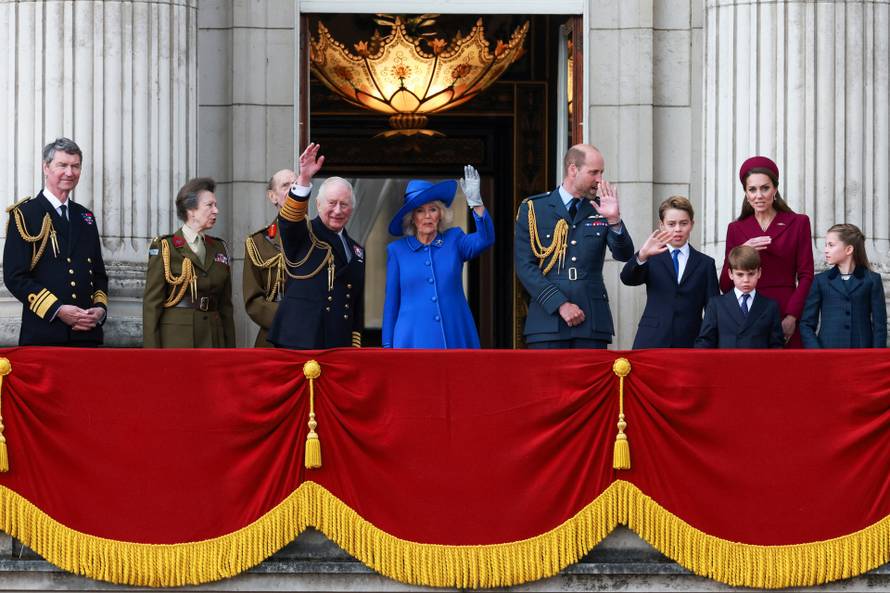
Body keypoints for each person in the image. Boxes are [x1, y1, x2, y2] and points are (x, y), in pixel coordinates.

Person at [514, 144, 634, 349]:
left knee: (591, 382)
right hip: (547, 322)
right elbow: (525, 266)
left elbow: (624, 255)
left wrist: (614, 220)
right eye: (593, 172)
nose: (599, 179)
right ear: (572, 169)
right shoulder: (534, 208)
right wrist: (560, 304)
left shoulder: (601, 206)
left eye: (601, 173)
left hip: (591, 320)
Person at [3, 138, 109, 346]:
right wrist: (58, 310)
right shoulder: (25, 214)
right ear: (46, 167)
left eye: (75, 166)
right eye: (62, 165)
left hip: (86, 334)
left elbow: (98, 274)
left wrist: (99, 310)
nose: (70, 173)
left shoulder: (85, 217)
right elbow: (15, 276)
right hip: (45, 333)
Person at [382, 166, 494, 348]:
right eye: (420, 211)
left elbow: (485, 239)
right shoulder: (397, 251)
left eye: (433, 209)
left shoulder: (454, 240)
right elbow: (391, 303)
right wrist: (387, 345)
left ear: (440, 214)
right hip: (412, 337)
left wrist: (476, 203)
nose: (427, 216)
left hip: (454, 332)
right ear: (411, 218)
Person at [269, 144, 364, 349]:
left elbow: (356, 302)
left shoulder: (357, 250)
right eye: (332, 203)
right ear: (318, 204)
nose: (337, 210)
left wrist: (354, 343)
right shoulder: (304, 233)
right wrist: (303, 179)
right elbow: (289, 220)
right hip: (301, 339)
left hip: (339, 342)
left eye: (344, 204)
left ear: (352, 209)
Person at [719, 156, 814, 348]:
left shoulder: (798, 222)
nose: (759, 195)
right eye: (752, 189)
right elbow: (726, 284)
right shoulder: (736, 229)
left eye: (765, 188)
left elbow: (806, 275)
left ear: (775, 189)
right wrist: (743, 250)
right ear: (746, 193)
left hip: (785, 309)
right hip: (749, 314)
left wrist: (792, 316)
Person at [143, 177, 235, 348]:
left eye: (215, 205)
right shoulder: (165, 247)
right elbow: (152, 305)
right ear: (191, 210)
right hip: (178, 340)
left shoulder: (220, 248)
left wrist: (230, 352)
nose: (216, 211)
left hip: (213, 338)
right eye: (210, 205)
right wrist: (152, 355)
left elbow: (226, 308)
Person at [620, 196, 719, 348]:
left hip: (691, 341)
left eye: (683, 223)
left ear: (692, 224)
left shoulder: (706, 264)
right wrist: (642, 255)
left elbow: (712, 309)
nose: (678, 229)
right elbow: (627, 278)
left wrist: (706, 343)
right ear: (662, 225)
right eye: (671, 224)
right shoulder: (651, 256)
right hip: (652, 339)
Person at [800, 224, 887, 348]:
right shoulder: (821, 281)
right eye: (825, 245)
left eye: (831, 245)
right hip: (828, 353)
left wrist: (875, 356)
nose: (825, 249)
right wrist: (817, 352)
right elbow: (806, 324)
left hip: (862, 354)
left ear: (848, 250)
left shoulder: (872, 280)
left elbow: (880, 326)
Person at [243, 169, 296, 347]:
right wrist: (288, 318)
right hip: (274, 336)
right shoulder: (258, 242)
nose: (293, 189)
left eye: (296, 185)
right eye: (286, 186)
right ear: (272, 197)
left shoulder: (318, 237)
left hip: (314, 337)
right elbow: (253, 300)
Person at [696, 246, 783, 349]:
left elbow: (776, 346)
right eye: (740, 274)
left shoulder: (770, 306)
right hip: (726, 364)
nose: (746, 280)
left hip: (758, 364)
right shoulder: (716, 305)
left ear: (759, 273)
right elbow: (705, 342)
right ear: (730, 274)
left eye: (751, 274)